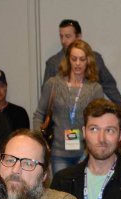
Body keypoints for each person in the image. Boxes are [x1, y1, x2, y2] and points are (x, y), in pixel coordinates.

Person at [34, 40, 106, 174]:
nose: (78, 63)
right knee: (62, 186)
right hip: (58, 152)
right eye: (74, 59)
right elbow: (39, 114)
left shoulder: (95, 88)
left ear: (88, 61)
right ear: (68, 60)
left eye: (82, 59)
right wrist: (40, 142)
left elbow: (100, 121)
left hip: (85, 152)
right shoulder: (53, 84)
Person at [43, 19, 121, 104]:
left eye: (68, 36)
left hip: (92, 109)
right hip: (63, 110)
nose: (63, 41)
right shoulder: (52, 63)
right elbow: (46, 96)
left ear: (78, 37)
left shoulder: (95, 58)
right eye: (61, 36)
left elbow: (109, 86)